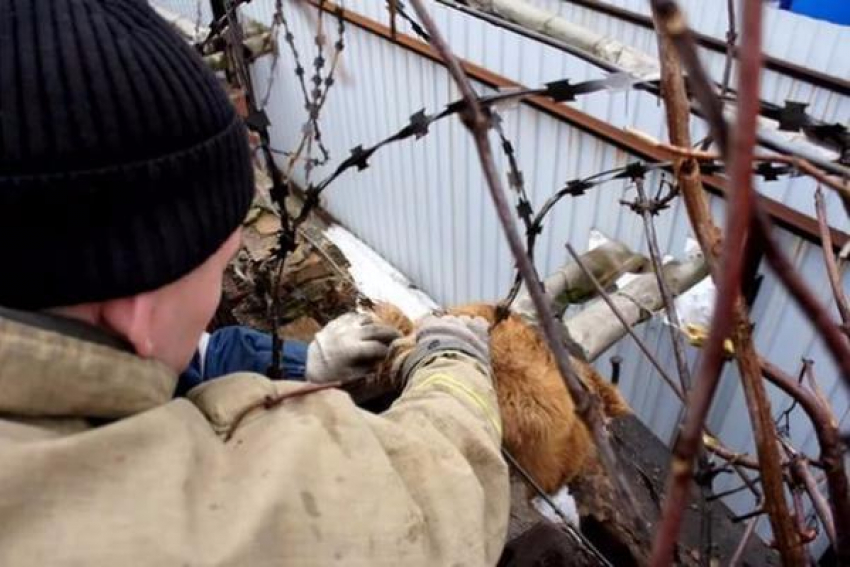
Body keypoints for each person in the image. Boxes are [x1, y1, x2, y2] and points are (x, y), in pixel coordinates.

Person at [0, 1, 509, 565]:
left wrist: (305, 365)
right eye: (218, 266)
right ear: (135, 307)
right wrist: (453, 367)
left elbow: (186, 358)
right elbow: (432, 507)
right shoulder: (185, 526)